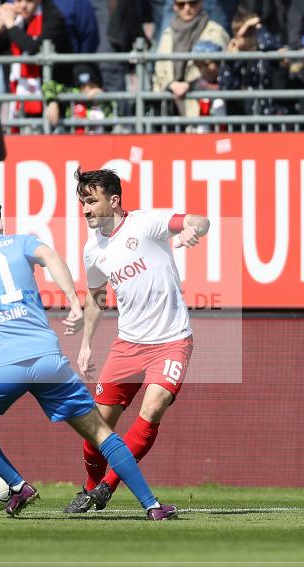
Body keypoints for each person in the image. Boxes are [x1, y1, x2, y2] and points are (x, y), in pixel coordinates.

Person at [0, 195, 178, 521]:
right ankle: (152, 507)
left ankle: (18, 485)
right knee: (101, 433)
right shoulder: (20, 242)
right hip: (46, 360)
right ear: (0, 223)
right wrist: (74, 302)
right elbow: (50, 256)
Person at [64, 168, 209, 513]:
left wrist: (192, 229)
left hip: (172, 340)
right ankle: (90, 487)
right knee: (96, 426)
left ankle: (107, 486)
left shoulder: (146, 223)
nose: (85, 209)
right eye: (82, 203)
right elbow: (96, 297)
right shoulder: (92, 250)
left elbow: (199, 220)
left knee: (153, 407)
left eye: (91, 201)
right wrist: (86, 344)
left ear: (114, 200)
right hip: (128, 345)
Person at [152, 0, 230, 119]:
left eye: (192, 3)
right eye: (181, 4)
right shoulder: (167, 34)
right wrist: (171, 85)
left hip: (205, 109)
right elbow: (159, 72)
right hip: (170, 109)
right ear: (174, 6)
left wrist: (189, 85)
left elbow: (219, 71)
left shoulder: (215, 32)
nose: (187, 8)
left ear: (201, 3)